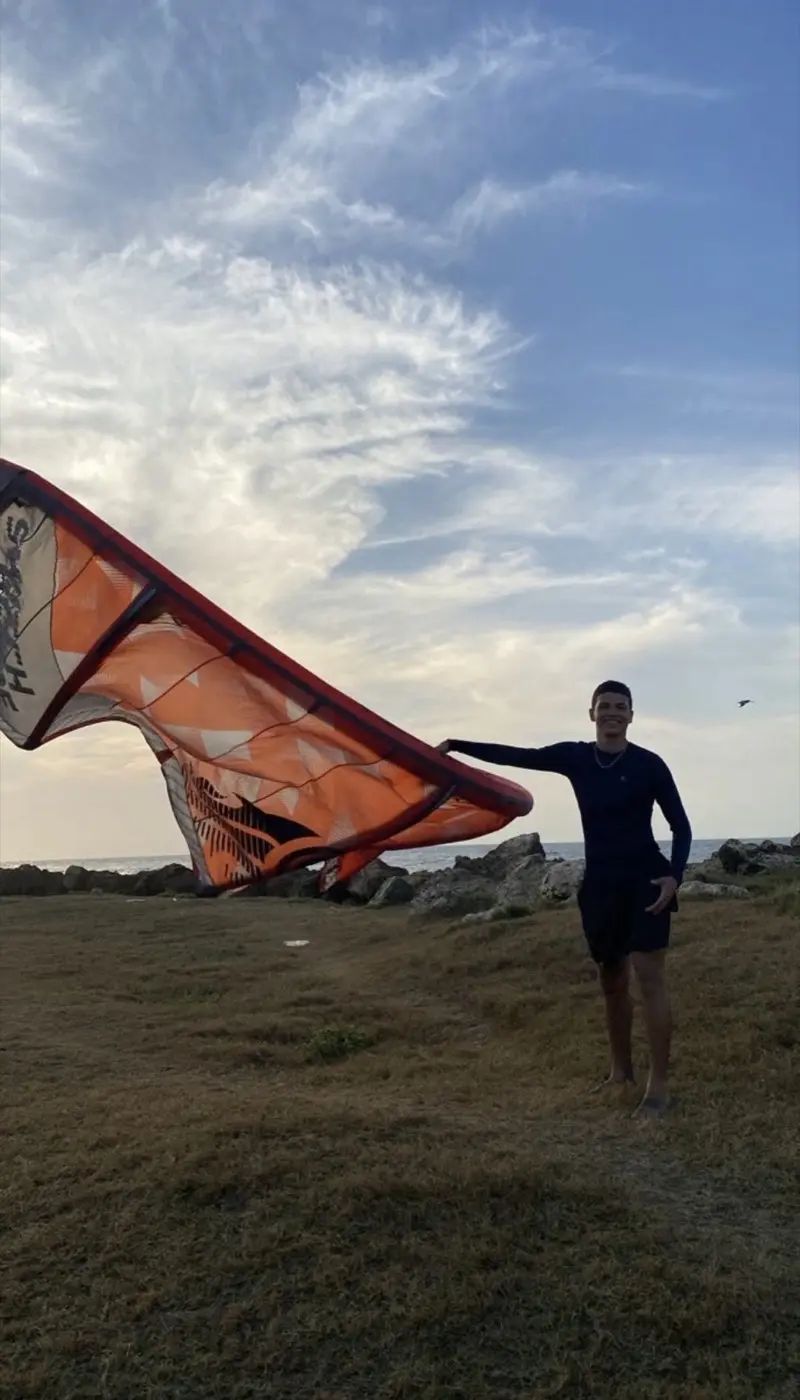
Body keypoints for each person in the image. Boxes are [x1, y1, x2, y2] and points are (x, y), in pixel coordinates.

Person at [439, 681, 692, 1118]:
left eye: (621, 707)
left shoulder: (650, 765)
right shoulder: (575, 757)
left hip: (646, 881)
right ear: (592, 714)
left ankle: (659, 1088)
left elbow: (681, 827)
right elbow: (518, 756)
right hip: (599, 883)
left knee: (649, 979)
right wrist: (458, 746)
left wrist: (674, 877)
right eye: (605, 706)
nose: (613, 712)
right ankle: (620, 1073)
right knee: (611, 979)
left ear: (631, 716)